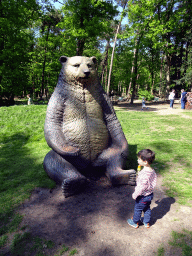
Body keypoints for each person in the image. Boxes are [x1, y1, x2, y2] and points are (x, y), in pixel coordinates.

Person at [127, 149, 157, 229]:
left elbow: (141, 187)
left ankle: (135, 222)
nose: (137, 160)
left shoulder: (144, 175)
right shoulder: (152, 171)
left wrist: (135, 194)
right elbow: (153, 181)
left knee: (138, 209)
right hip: (149, 194)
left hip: (142, 196)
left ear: (145, 161)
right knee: (147, 208)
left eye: (139, 159)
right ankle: (146, 222)